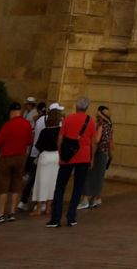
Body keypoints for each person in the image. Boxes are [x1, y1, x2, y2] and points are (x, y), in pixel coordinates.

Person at [49, 97, 95, 227]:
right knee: (78, 188)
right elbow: (93, 142)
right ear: (87, 107)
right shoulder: (90, 121)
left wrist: (60, 155)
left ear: (76, 106)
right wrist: (92, 158)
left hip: (67, 158)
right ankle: (71, 217)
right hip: (84, 157)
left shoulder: (68, 119)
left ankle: (55, 218)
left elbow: (60, 139)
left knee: (60, 187)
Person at [0, 102, 33, 223]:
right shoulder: (27, 124)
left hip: (7, 157)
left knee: (4, 184)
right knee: (16, 184)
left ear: (12, 112)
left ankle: (1, 213)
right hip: (21, 157)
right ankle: (12, 212)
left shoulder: (8, 125)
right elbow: (29, 141)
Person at [30, 104, 63, 217]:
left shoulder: (44, 131)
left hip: (45, 157)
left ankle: (39, 208)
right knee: (52, 183)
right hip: (56, 156)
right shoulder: (60, 130)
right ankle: (48, 208)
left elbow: (38, 146)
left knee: (41, 182)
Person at [81, 105, 114, 210]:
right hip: (104, 154)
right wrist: (111, 156)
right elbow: (111, 144)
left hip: (98, 154)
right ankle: (96, 199)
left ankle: (85, 199)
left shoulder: (101, 127)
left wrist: (91, 156)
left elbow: (96, 141)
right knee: (99, 177)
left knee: (88, 176)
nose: (96, 118)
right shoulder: (109, 127)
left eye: (98, 116)